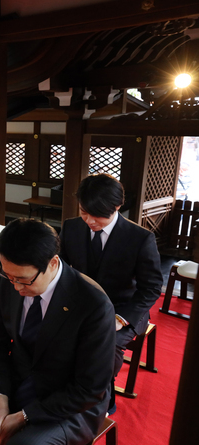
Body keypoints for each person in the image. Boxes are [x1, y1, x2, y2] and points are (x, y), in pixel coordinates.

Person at [0, 218, 115, 445]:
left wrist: (25, 416)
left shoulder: (92, 304)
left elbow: (90, 388)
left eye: (24, 280)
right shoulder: (9, 280)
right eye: (9, 276)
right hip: (20, 377)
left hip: (67, 397)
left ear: (53, 263)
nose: (16, 287)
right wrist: (1, 401)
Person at [59, 173, 163, 413]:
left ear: (117, 206)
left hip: (123, 309)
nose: (89, 220)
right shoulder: (72, 227)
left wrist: (121, 318)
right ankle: (66, 387)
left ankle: (102, 397)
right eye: (84, 212)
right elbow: (61, 268)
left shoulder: (140, 238)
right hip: (83, 303)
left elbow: (151, 288)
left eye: (97, 215)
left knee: (107, 346)